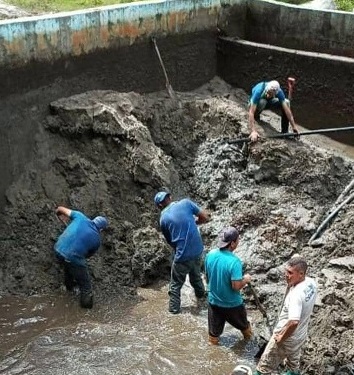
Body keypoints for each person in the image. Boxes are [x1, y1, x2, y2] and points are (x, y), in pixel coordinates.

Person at [254, 256, 317, 375]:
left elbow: (293, 321)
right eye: (286, 271)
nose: (286, 275)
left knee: (263, 368)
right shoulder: (311, 283)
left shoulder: (296, 295)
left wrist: (281, 337)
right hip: (300, 336)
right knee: (293, 366)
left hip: (287, 338)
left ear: (301, 274)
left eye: (290, 273)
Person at [154, 191, 210, 314]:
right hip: (197, 250)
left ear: (159, 206)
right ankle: (203, 300)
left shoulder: (163, 219)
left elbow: (170, 241)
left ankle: (174, 311)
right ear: (170, 197)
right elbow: (205, 217)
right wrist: (195, 223)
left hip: (182, 255)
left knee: (175, 285)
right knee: (196, 278)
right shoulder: (186, 203)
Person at [204, 226, 252, 345]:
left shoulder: (210, 255)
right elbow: (236, 286)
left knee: (213, 337)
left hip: (214, 302)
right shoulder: (234, 262)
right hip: (232, 305)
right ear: (232, 243)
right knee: (246, 330)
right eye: (238, 240)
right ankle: (250, 348)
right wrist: (246, 279)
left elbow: (207, 277)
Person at [54, 206, 108, 309]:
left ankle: (68, 287)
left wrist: (58, 214)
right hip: (72, 257)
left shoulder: (80, 216)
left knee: (69, 265)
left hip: (57, 249)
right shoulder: (97, 241)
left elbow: (60, 208)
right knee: (86, 287)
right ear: (101, 229)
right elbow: (86, 255)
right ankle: (86, 310)